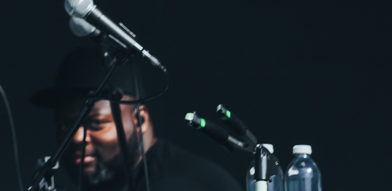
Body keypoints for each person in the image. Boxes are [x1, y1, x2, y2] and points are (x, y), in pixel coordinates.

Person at [33, 48, 241, 190]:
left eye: (95, 123)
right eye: (64, 126)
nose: (77, 138)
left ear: (139, 120)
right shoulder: (111, 181)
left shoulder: (183, 184)